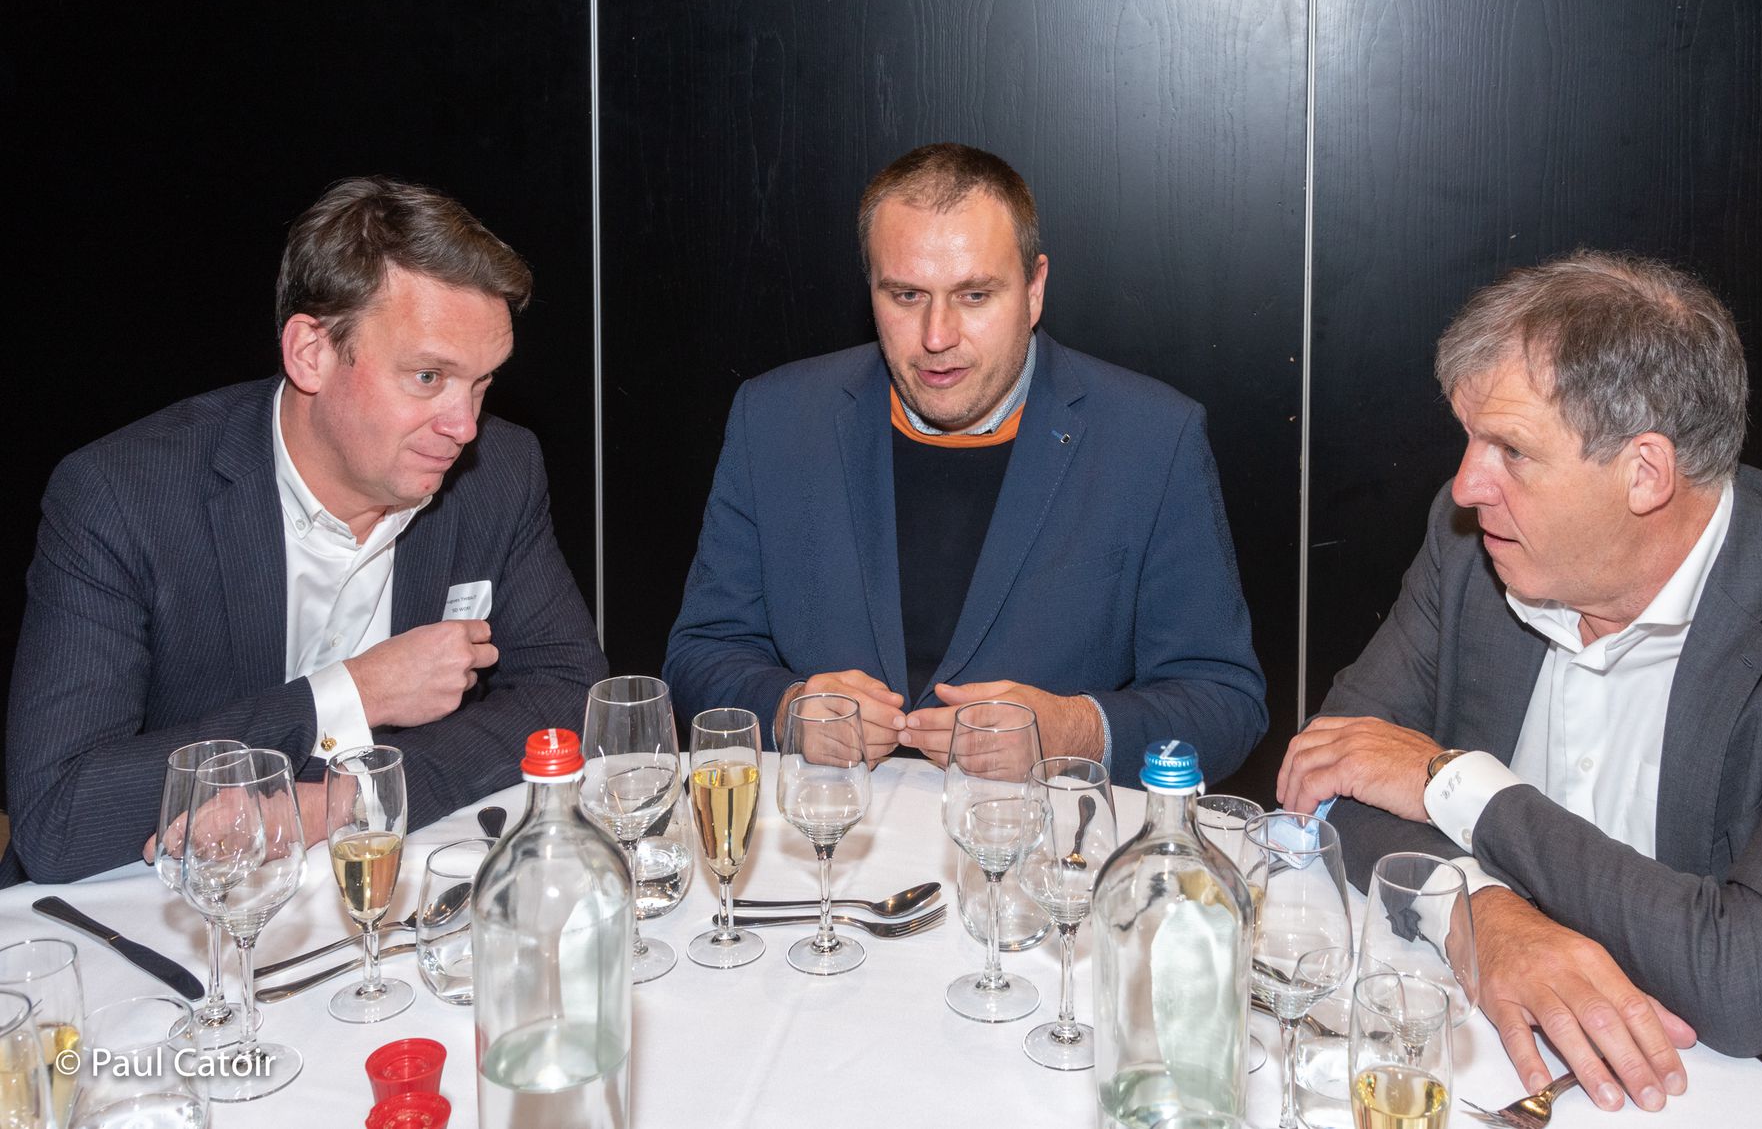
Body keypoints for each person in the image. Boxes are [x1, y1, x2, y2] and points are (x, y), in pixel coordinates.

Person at [1275, 252, 1762, 1128]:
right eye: (1471, 439)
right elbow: (1332, 770)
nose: (1466, 484)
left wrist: (1457, 785)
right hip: (1508, 1053)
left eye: (1512, 450)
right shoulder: (1477, 546)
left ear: (1645, 473)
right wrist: (1483, 912)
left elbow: (1747, 980)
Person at [2, 177, 606, 885]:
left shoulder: (498, 470)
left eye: (482, 383)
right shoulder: (125, 497)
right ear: (310, 353)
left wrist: (343, 803)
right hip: (161, 908)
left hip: (384, 893)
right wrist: (354, 692)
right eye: (427, 377)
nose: (464, 426)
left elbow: (571, 697)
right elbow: (58, 813)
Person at [666, 142, 1265, 785]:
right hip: (824, 827)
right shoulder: (775, 419)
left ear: (1034, 290)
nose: (937, 336)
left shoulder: (1153, 438)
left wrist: (1075, 732)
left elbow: (1225, 702)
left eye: (975, 295)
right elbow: (700, 654)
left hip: (1040, 835)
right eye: (905, 295)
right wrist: (788, 711)